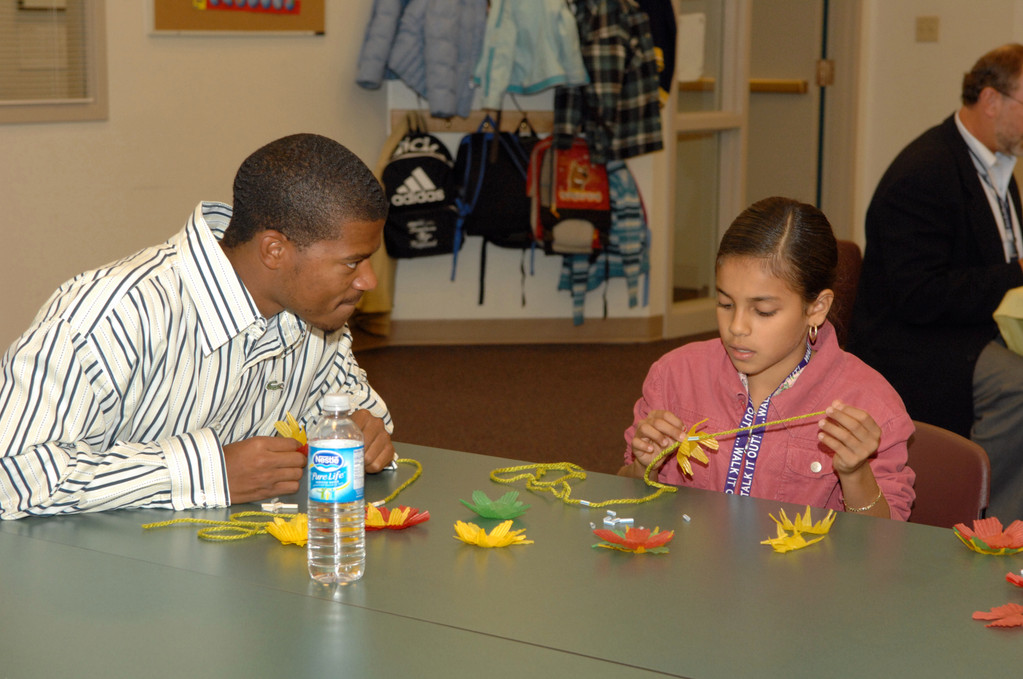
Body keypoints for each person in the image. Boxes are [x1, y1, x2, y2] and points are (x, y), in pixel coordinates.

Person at [0, 133, 395, 520]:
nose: (368, 281)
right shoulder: (111, 315)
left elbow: (350, 414)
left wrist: (362, 433)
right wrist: (207, 472)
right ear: (274, 250)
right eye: (352, 262)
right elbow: (14, 473)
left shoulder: (315, 318)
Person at [623, 197, 916, 520]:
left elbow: (885, 546)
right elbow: (624, 494)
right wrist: (642, 465)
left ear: (816, 308)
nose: (736, 327)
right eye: (725, 304)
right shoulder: (675, 374)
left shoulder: (869, 403)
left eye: (763, 311)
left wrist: (855, 473)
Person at [847, 44, 1023, 520]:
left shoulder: (997, 164)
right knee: (1019, 386)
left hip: (968, 327)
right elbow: (918, 297)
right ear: (991, 101)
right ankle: (981, 524)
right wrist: (1018, 274)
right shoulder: (924, 172)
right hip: (915, 343)